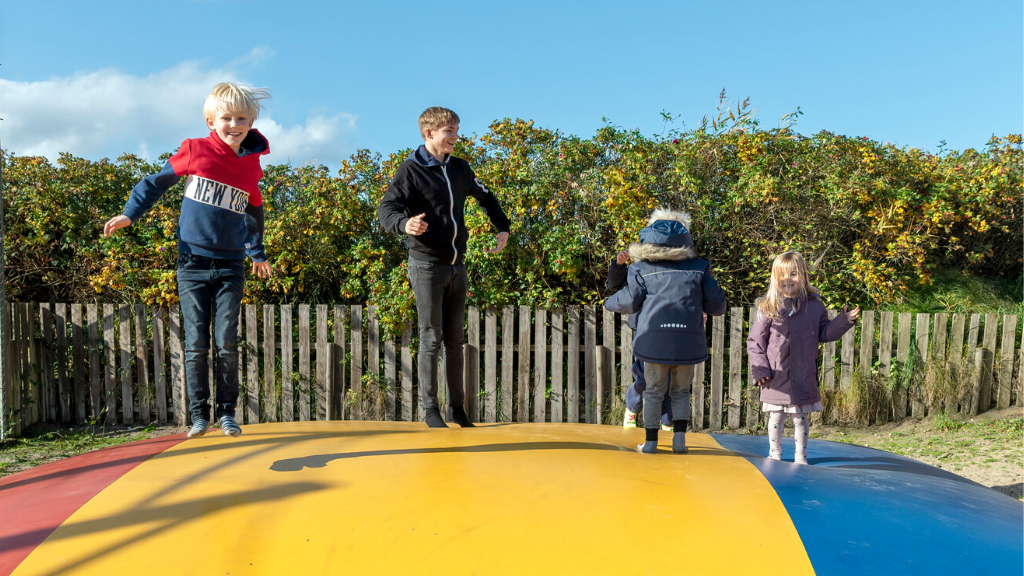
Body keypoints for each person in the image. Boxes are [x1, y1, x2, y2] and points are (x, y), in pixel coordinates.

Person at [104, 82, 274, 439]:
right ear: (211, 121)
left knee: (226, 341)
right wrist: (130, 214)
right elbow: (155, 183)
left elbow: (254, 211)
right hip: (192, 262)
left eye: (241, 119)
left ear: (251, 123)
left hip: (230, 265)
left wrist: (256, 252)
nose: (234, 125)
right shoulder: (196, 150)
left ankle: (226, 414)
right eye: (226, 118)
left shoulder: (251, 166)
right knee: (196, 343)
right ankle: (199, 416)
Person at [377, 107, 511, 428]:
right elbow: (386, 209)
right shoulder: (410, 170)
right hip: (426, 266)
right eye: (449, 131)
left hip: (456, 267)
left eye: (456, 129)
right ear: (429, 133)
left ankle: (457, 409)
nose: (455, 136)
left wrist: (502, 227)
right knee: (430, 338)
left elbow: (487, 197)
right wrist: (404, 223)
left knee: (455, 342)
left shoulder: (460, 168)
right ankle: (430, 411)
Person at [604, 209, 727, 453]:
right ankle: (679, 441)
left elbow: (629, 300)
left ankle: (651, 443)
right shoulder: (700, 266)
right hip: (687, 342)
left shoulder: (641, 268)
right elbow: (716, 304)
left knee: (653, 391)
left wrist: (608, 303)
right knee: (681, 391)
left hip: (653, 340)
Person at [747, 251, 859, 464]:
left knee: (800, 418)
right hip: (776, 375)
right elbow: (755, 342)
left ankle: (801, 456)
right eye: (782, 274)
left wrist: (843, 321)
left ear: (804, 277)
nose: (788, 279)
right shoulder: (768, 307)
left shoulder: (814, 306)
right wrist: (760, 369)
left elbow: (825, 333)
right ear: (775, 277)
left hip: (803, 374)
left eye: (794, 274)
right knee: (776, 417)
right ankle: (774, 454)